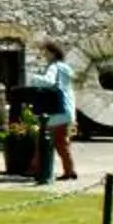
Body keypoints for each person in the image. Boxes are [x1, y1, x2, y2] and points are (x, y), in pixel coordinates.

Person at [38, 38, 79, 178]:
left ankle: (41, 169)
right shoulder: (66, 68)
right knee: (63, 142)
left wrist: (34, 78)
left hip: (58, 111)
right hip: (69, 110)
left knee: (51, 140)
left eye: (46, 52)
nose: (45, 55)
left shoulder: (54, 66)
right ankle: (69, 170)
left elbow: (48, 82)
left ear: (53, 53)